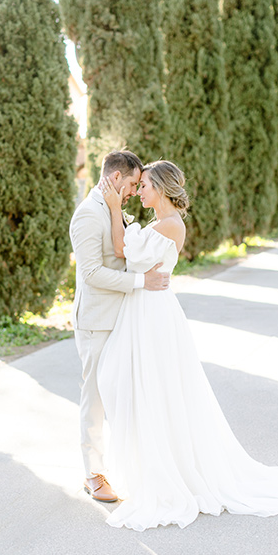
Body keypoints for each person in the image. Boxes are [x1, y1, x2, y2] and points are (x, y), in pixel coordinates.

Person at [97, 160, 278, 531]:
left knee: (157, 390)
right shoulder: (159, 223)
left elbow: (121, 247)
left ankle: (168, 470)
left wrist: (115, 210)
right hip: (146, 311)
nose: (140, 191)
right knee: (136, 384)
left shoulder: (169, 225)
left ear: (160, 188)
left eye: (144, 185)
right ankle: (154, 463)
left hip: (153, 316)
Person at [69, 150, 170, 504]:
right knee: (95, 399)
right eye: (130, 184)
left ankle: (132, 469)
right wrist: (143, 282)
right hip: (97, 322)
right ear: (115, 178)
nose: (132, 191)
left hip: (125, 321)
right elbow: (92, 274)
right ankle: (92, 474)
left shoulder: (114, 212)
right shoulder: (86, 216)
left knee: (125, 398)